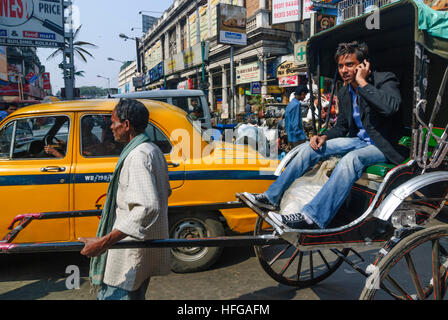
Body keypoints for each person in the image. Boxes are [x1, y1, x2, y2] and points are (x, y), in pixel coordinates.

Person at [243, 41, 407, 230]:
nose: (344, 70)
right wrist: (323, 137)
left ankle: (311, 217)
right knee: (307, 149)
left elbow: (390, 108)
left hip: (382, 145)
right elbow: (342, 126)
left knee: (351, 160)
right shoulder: (345, 92)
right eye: (340, 66)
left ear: (363, 65)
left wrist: (362, 82)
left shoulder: (385, 79)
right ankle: (271, 197)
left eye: (350, 64)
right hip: (358, 141)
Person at [79, 98, 172, 300]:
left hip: (129, 250)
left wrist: (103, 242)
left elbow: (147, 207)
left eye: (113, 122)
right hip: (139, 247)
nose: (111, 127)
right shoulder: (152, 149)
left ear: (126, 124)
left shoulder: (137, 156)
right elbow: (164, 192)